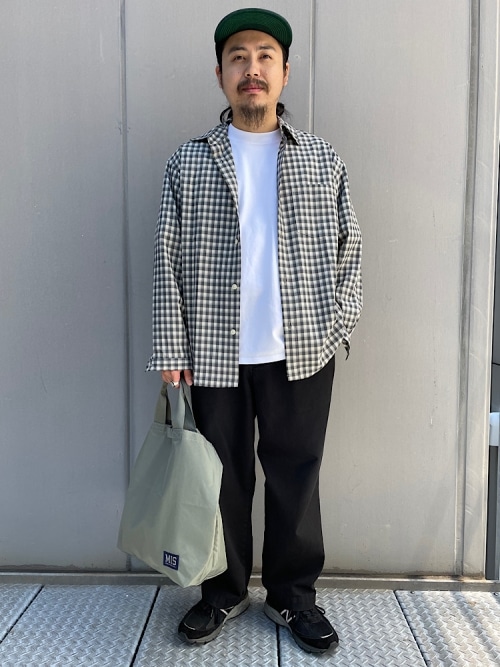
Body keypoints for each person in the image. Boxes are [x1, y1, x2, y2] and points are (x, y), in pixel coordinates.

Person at [146, 7, 362, 655]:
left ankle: (293, 595)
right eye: (238, 57)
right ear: (220, 74)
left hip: (302, 351)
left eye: (266, 56)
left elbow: (350, 248)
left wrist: (335, 326)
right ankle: (224, 590)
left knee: (297, 477)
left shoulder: (320, 159)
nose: (252, 68)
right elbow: (165, 255)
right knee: (221, 478)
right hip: (213, 352)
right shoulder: (190, 162)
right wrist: (170, 347)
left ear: (285, 72)